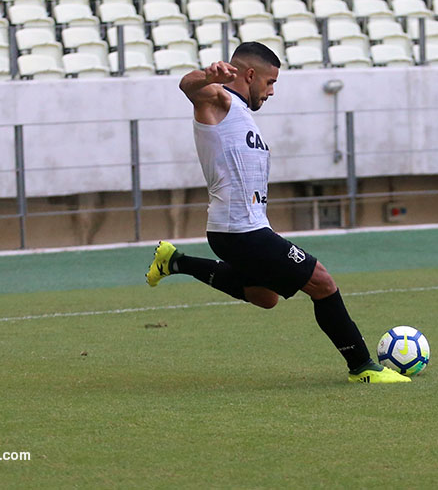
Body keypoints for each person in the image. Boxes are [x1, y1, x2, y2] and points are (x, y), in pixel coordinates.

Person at [146, 42, 409, 384]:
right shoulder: (219, 101)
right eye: (269, 83)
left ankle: (175, 261)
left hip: (241, 230)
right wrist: (208, 75)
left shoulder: (242, 114)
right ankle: (362, 367)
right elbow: (188, 86)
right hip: (241, 232)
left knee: (265, 296)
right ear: (250, 75)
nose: (271, 92)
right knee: (322, 283)